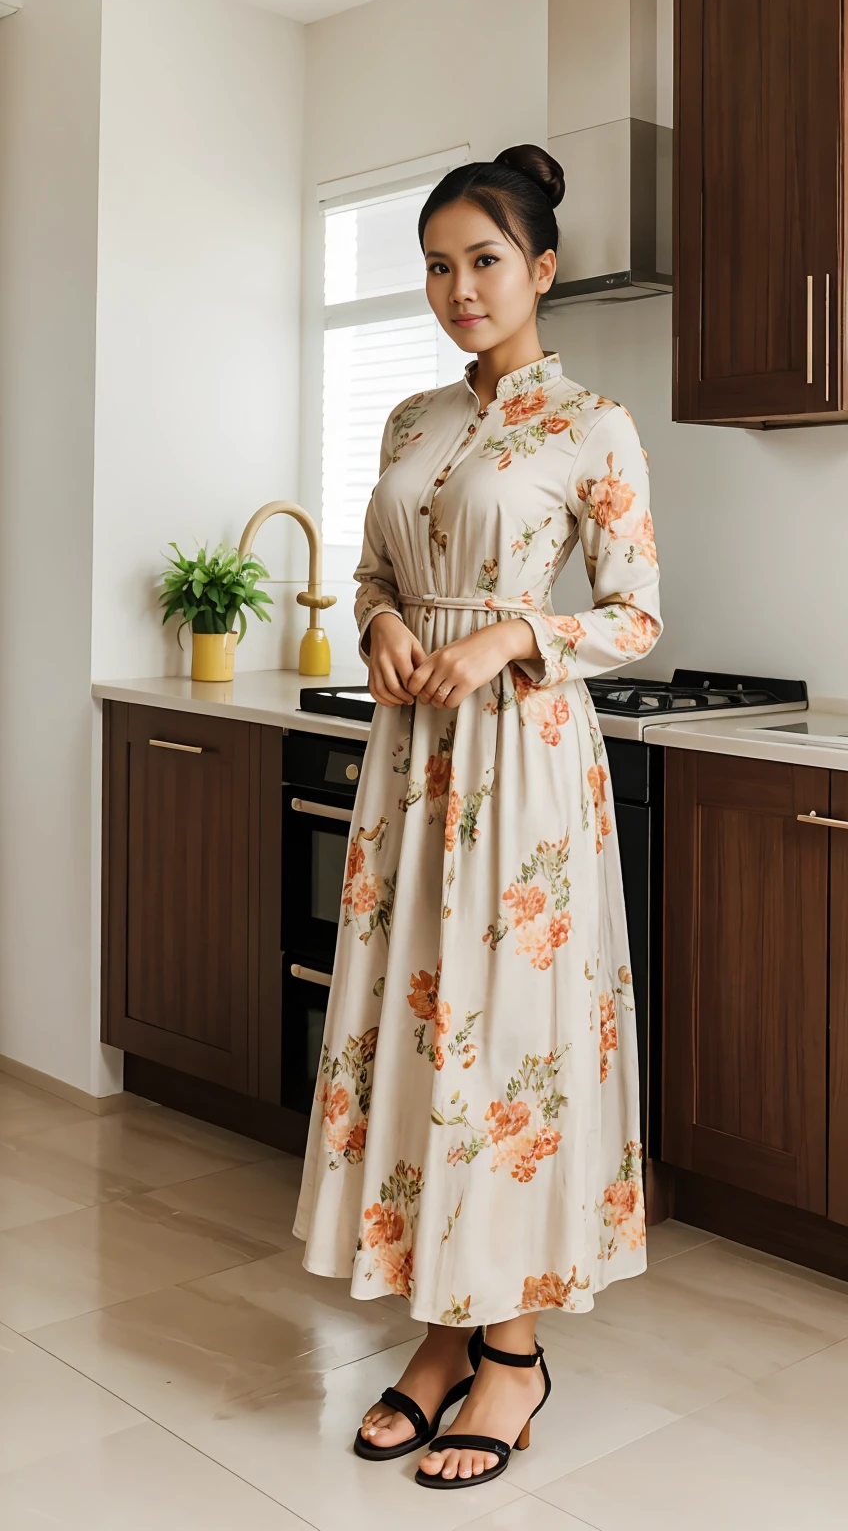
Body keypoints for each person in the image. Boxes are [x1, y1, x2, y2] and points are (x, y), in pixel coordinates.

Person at [293, 143, 662, 1490]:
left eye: (483, 261)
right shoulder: (407, 423)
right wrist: (385, 621)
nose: (457, 287)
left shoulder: (595, 423)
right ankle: (439, 1332)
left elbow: (635, 614)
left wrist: (513, 633)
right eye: (437, 266)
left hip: (522, 769)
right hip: (413, 759)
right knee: (419, 1023)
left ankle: (513, 1350)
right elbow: (377, 571)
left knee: (504, 1043)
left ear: (542, 271)